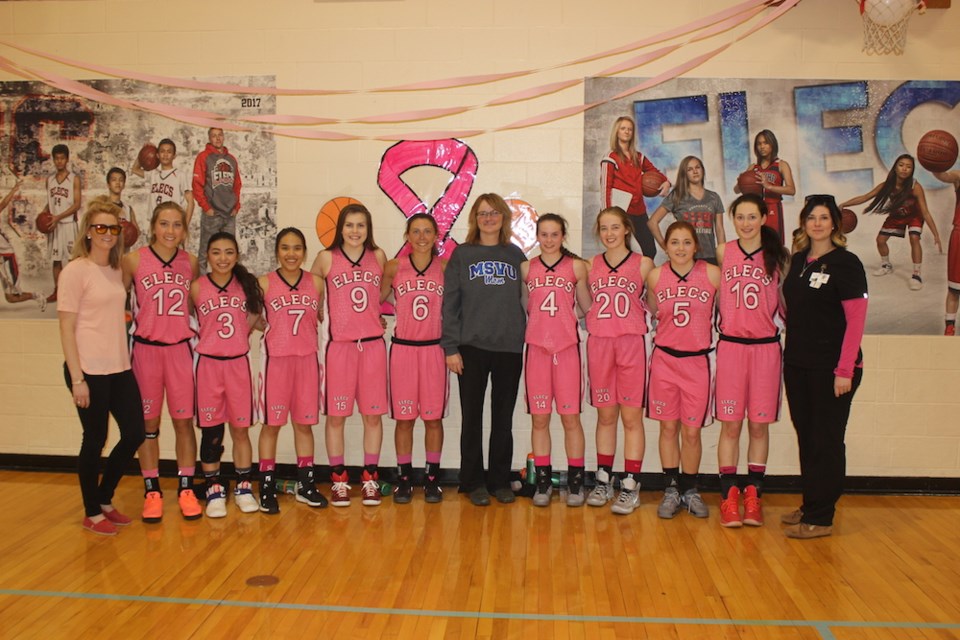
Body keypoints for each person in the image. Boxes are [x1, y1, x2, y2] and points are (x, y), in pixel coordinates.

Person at [58, 196, 145, 535]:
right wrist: (77, 377)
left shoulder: (116, 269)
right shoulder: (76, 270)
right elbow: (66, 326)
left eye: (113, 227)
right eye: (101, 227)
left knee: (135, 432)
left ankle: (105, 497)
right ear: (89, 231)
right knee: (94, 439)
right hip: (88, 370)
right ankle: (91, 510)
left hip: (119, 367)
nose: (108, 233)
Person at [781, 194, 867, 539]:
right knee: (808, 437)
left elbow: (856, 321)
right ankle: (811, 503)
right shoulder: (800, 260)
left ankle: (821, 517)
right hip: (799, 364)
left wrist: (844, 370)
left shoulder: (847, 263)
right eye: (811, 217)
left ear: (835, 223)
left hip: (833, 369)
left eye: (824, 217)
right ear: (804, 223)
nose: (817, 223)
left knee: (826, 441)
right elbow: (793, 310)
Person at [442, 193, 526, 507]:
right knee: (472, 418)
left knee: (503, 418)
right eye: (482, 213)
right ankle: (473, 481)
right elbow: (450, 304)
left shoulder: (516, 255)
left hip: (508, 348)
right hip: (470, 347)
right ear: (475, 219)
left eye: (493, 213)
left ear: (503, 217)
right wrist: (450, 347)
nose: (488, 218)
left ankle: (499, 481)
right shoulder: (462, 255)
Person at [122, 201, 201, 522]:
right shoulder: (133, 260)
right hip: (145, 351)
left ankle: (185, 487)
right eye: (165, 224)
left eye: (177, 225)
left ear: (185, 229)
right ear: (154, 226)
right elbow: (117, 306)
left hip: (180, 350)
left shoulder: (191, 263)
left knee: (183, 423)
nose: (171, 231)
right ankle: (152, 489)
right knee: (148, 426)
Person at [714, 194, 789, 527]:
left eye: (750, 217)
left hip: (765, 349)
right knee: (730, 425)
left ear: (763, 218)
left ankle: (754, 495)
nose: (745, 223)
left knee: (758, 426)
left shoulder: (778, 257)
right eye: (739, 217)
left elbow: (787, 306)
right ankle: (729, 495)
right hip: (731, 347)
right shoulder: (722, 252)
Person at [311, 204, 388, 507]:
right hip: (340, 347)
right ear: (339, 228)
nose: (355, 231)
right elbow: (311, 292)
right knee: (337, 417)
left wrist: (374, 315)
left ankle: (370, 477)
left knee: (372, 416)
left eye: (361, 226)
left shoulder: (378, 257)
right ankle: (339, 479)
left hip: (372, 345)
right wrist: (318, 313)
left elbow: (380, 294)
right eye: (350, 225)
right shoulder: (326, 258)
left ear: (368, 229)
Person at [646, 221, 720, 520]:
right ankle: (671, 488)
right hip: (664, 360)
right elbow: (654, 311)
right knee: (667, 428)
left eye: (686, 242)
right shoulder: (655, 275)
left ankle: (690, 489)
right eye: (674, 242)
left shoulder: (712, 274)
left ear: (696, 246)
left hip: (698, 362)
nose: (680, 248)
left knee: (691, 432)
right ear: (666, 246)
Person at [584, 206, 654, 515]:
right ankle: (603, 479)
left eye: (615, 227)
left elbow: (653, 305)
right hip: (600, 344)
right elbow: (584, 304)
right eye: (603, 228)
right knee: (606, 417)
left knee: (631, 418)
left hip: (630, 344)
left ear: (626, 228)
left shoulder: (644, 264)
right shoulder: (590, 265)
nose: (609, 233)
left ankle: (630, 483)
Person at [520, 213, 592, 507]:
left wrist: (564, 320)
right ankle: (543, 481)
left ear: (563, 236)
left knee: (570, 418)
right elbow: (527, 306)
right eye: (544, 234)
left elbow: (586, 306)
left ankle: (575, 482)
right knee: (540, 419)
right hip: (536, 350)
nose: (549, 240)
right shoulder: (527, 267)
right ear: (537, 236)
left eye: (554, 234)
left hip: (566, 350)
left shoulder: (576, 266)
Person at [191, 232, 263, 517]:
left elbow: (257, 317)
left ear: (237, 256)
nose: (223, 258)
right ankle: (214, 489)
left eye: (229, 252)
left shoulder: (246, 286)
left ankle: (244, 487)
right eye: (217, 252)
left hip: (237, 364)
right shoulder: (196, 287)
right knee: (211, 432)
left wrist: (243, 332)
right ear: (208, 256)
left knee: (240, 430)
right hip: (208, 365)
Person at [380, 214, 448, 503]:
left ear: (436, 236)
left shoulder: (446, 267)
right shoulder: (394, 267)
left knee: (433, 419)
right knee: (405, 419)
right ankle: (404, 478)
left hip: (435, 349)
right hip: (403, 349)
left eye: (427, 232)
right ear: (407, 236)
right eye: (416, 231)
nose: (421, 237)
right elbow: (374, 299)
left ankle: (432, 479)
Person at [257, 227, 327, 514]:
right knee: (271, 425)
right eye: (285, 248)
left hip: (307, 360)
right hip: (276, 361)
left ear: (304, 252)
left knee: (304, 424)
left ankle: (306, 484)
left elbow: (320, 316)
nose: (291, 253)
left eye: (297, 248)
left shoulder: (317, 283)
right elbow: (255, 320)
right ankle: (266, 486)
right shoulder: (263, 283)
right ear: (277, 251)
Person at [840, 154, 942, 290]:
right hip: (898, 215)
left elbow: (925, 212)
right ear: (895, 168)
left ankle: (916, 274)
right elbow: (865, 197)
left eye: (909, 166)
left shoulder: (915, 187)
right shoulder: (887, 185)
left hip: (914, 216)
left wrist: (936, 234)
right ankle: (886, 265)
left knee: (914, 238)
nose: (904, 169)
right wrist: (844, 204)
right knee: (880, 240)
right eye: (901, 165)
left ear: (912, 170)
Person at [600, 116, 671, 260]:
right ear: (617, 132)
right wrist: (607, 215)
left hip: (639, 210)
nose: (626, 132)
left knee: (650, 250)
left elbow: (654, 172)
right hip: (620, 212)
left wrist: (667, 182)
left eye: (630, 129)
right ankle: (626, 280)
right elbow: (605, 188)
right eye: (623, 128)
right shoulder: (610, 157)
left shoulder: (639, 157)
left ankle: (643, 279)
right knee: (622, 251)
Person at [648, 155, 726, 264]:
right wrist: (665, 246)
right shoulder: (677, 196)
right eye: (689, 169)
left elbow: (719, 229)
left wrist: (723, 255)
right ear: (684, 174)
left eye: (697, 167)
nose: (695, 171)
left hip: (710, 255)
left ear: (702, 170)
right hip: (685, 256)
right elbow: (652, 222)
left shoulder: (714, 197)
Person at [734, 130, 796, 244]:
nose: (762, 146)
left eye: (765, 143)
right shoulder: (753, 167)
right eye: (759, 143)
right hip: (755, 210)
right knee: (756, 244)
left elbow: (791, 190)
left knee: (774, 245)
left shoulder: (781, 165)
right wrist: (740, 181)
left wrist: (769, 186)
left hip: (773, 208)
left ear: (773, 144)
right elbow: (736, 190)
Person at [193, 128, 240, 273]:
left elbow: (237, 184)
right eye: (214, 136)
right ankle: (201, 287)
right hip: (212, 214)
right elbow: (197, 185)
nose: (217, 138)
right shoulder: (203, 157)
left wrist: (236, 206)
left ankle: (229, 283)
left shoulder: (231, 159)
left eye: (220, 135)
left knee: (229, 252)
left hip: (229, 215)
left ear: (224, 137)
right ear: (209, 138)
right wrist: (206, 207)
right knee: (205, 252)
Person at [40, 144, 82, 302]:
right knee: (56, 259)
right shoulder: (49, 180)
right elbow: (50, 203)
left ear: (67, 159)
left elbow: (77, 204)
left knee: (72, 261)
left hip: (68, 224)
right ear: (53, 160)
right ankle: (57, 291)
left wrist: (59, 217)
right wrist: (43, 214)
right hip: (54, 226)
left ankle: (73, 292)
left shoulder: (74, 179)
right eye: (56, 158)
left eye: (62, 158)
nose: (59, 161)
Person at [0, 179, 46, 310]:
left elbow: (3, 204)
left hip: (6, 258)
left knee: (12, 297)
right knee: (11, 298)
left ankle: (36, 295)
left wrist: (14, 190)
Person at [132, 138, 195, 230]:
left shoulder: (180, 175)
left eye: (169, 152)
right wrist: (144, 151)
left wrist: (184, 226)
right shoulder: (153, 174)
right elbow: (135, 169)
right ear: (157, 155)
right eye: (162, 151)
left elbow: (191, 203)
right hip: (154, 222)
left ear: (174, 155)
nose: (165, 155)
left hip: (171, 223)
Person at [934, 168, 960, 334]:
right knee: (954, 288)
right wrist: (933, 163)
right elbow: (943, 175)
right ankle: (949, 328)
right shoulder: (959, 175)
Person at [105, 167, 139, 252]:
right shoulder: (103, 206)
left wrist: (129, 234)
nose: (117, 183)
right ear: (108, 184)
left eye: (121, 180)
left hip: (124, 252)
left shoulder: (128, 209)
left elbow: (137, 231)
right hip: (108, 251)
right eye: (114, 180)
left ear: (124, 184)